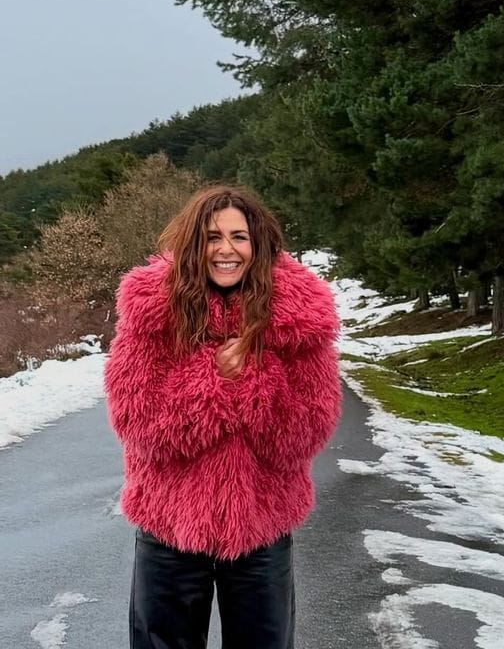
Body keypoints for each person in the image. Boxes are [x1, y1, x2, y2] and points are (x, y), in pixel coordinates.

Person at [104, 185, 342, 649]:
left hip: (262, 526)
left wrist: (255, 377)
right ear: (194, 243)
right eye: (213, 237)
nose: (226, 250)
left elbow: (305, 434)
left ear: (259, 244)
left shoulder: (300, 318)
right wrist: (212, 379)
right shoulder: (152, 312)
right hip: (169, 524)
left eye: (239, 237)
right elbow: (140, 427)